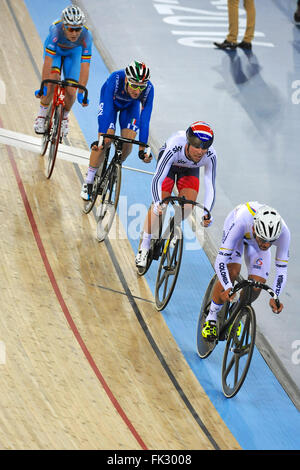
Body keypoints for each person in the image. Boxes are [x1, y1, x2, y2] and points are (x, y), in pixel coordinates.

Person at [202, 202, 291, 342]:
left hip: (253, 242)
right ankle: (211, 317)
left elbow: (281, 270)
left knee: (257, 285)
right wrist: (227, 287)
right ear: (255, 229)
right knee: (232, 271)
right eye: (263, 240)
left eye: (270, 242)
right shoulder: (241, 222)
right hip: (237, 232)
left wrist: (276, 296)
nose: (266, 245)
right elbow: (220, 261)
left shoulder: (284, 233)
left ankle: (235, 312)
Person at [135, 121, 217, 268]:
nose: (200, 152)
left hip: (189, 171)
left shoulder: (210, 155)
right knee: (160, 206)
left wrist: (207, 212)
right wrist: (157, 201)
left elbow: (210, 185)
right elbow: (157, 179)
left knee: (188, 206)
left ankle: (174, 226)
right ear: (188, 143)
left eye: (204, 148)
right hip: (169, 168)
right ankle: (144, 247)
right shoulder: (174, 146)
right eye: (197, 147)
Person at [80, 60, 154, 201]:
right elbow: (106, 109)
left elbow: (145, 119)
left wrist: (142, 149)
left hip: (130, 108)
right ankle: (88, 181)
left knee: (128, 143)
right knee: (105, 141)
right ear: (126, 79)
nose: (137, 91)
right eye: (133, 86)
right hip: (111, 104)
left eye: (141, 87)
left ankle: (115, 167)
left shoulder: (149, 89)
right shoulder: (115, 78)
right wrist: (102, 136)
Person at [34, 4, 92, 137]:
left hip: (74, 54)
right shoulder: (55, 30)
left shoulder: (87, 36)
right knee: (52, 81)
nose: (75, 33)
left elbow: (85, 66)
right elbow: (48, 61)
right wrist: (43, 86)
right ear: (64, 26)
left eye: (78, 29)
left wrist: (81, 92)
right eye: (71, 29)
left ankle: (64, 117)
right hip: (56, 53)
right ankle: (41, 115)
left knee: (71, 91)